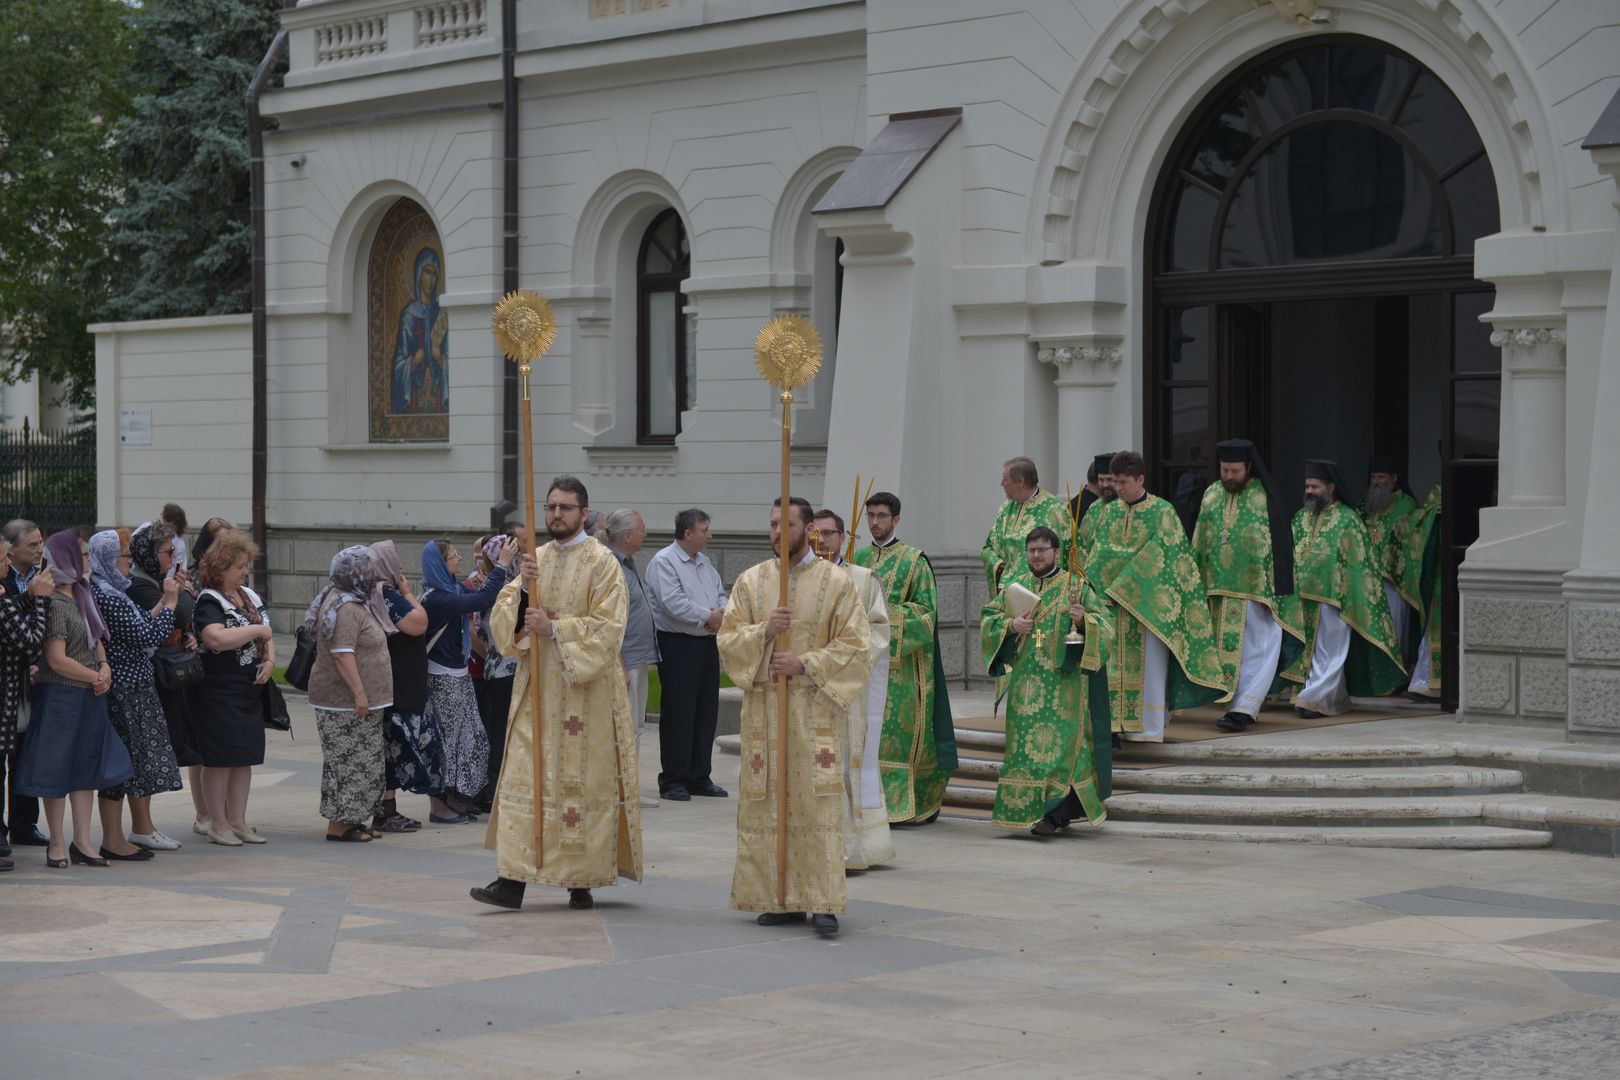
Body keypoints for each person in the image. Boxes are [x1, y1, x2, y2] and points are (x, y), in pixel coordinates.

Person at [472, 475, 640, 912]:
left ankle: (580, 880)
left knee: (580, 788)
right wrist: (527, 590)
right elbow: (503, 621)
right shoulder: (535, 560)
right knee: (523, 782)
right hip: (538, 693)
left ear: (584, 513)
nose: (556, 515)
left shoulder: (603, 563)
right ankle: (512, 880)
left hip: (586, 698)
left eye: (565, 507)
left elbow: (609, 628)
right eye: (550, 507)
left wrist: (556, 628)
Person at [718, 496, 872, 937]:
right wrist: (764, 632)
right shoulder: (751, 582)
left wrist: (804, 663)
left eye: (785, 524)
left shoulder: (836, 583)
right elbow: (728, 641)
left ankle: (822, 899)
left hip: (814, 713)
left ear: (808, 530)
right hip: (765, 715)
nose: (776, 533)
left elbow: (856, 647)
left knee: (816, 804)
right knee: (770, 804)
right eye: (771, 524)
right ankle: (778, 896)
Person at [1084, 451, 1227, 742]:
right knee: (1109, 670)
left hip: (1146, 610)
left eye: (1123, 482)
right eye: (1114, 482)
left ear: (1140, 479)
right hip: (1111, 607)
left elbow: (1170, 558)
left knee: (1148, 673)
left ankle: (1145, 731)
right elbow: (1097, 555)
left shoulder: (1162, 512)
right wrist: (1091, 590)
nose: (1118, 488)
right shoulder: (1109, 511)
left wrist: (1126, 585)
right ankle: (1111, 729)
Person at [979, 526, 1111, 836]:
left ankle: (1055, 816)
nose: (1036, 555)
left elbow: (1105, 625)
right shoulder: (1015, 587)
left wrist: (1084, 621)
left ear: (1056, 552)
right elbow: (989, 618)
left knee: (1062, 753)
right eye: (1031, 550)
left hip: (1064, 687)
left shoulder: (1076, 587)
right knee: (1023, 752)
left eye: (1042, 550)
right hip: (1025, 687)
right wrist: (1011, 625)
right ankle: (1023, 812)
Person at [15, 530, 130, 868]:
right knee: (55, 769)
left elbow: (96, 639)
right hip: (60, 696)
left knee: (85, 769)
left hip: (89, 695)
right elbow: (56, 659)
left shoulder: (83, 593)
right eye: (81, 554)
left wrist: (105, 666)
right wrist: (96, 676)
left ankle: (83, 842)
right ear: (64, 557)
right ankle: (57, 844)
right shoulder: (52, 600)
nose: (87, 560)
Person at [852, 491, 956, 826]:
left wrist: (883, 620)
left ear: (896, 519)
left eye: (881, 516)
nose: (875, 522)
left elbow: (927, 614)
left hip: (902, 669)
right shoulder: (859, 558)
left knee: (900, 737)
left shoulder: (915, 561)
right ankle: (868, 801)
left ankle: (904, 805)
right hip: (865, 663)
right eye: (870, 516)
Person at [1191, 440, 1308, 732]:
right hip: (1218, 587)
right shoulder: (1212, 494)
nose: (1228, 476)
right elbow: (1200, 539)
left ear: (1249, 468)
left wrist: (1275, 592)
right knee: (1230, 653)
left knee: (1259, 648)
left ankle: (1246, 707)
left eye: (1235, 471)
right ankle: (1236, 704)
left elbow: (1280, 547)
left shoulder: (1264, 498)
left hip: (1258, 592)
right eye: (1224, 470)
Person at [87, 529, 181, 861]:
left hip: (134, 685)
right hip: (124, 689)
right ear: (111, 560)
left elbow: (141, 621)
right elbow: (144, 635)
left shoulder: (112, 589)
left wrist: (162, 603)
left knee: (133, 761)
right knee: (120, 763)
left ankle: (128, 833)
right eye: (124, 557)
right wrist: (170, 603)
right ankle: (112, 839)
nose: (128, 562)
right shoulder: (105, 594)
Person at [1291, 460, 1408, 716]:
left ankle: (1316, 698)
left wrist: (1350, 594)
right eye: (1307, 486)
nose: (1310, 491)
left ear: (1331, 487)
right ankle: (1334, 698)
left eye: (1315, 486)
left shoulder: (1348, 519)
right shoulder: (1301, 518)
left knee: (1329, 649)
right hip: (1303, 597)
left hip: (1335, 598)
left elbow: (1360, 563)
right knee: (1311, 650)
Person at [812, 509, 894, 870]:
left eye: (829, 534)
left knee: (849, 762)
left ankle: (857, 845)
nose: (822, 542)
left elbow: (878, 629)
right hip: (810, 684)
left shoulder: (863, 580)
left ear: (843, 538)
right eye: (816, 535)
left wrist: (843, 655)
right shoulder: (799, 579)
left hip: (849, 687)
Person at [420, 535, 514, 822]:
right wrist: (502, 566)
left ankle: (456, 798)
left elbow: (480, 592)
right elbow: (482, 598)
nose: (460, 558)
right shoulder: (438, 598)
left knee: (471, 740)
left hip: (457, 676)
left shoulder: (450, 588)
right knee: (450, 743)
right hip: (444, 679)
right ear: (439, 564)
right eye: (453, 556)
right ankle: (441, 804)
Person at [191, 532, 274, 847]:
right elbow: (215, 638)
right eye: (239, 566)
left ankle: (238, 820)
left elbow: (267, 636)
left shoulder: (249, 595)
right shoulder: (210, 599)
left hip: (248, 691)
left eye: (246, 565)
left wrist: (270, 661)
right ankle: (218, 823)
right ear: (221, 568)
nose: (245, 571)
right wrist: (255, 630)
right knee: (220, 759)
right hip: (217, 692)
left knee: (243, 757)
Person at [306, 546, 392, 843]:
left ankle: (351, 820)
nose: (373, 576)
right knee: (351, 763)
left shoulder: (350, 601)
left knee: (362, 761)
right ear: (354, 573)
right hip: (344, 704)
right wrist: (360, 694)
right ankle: (340, 825)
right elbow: (342, 654)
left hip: (353, 703)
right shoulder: (344, 607)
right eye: (368, 570)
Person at [645, 507, 728, 802]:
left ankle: (699, 776)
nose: (709, 535)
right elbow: (672, 603)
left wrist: (720, 614)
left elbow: (721, 594)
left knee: (705, 712)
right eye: (705, 530)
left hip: (706, 643)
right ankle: (673, 780)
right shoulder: (664, 562)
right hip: (678, 644)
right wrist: (709, 616)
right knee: (679, 713)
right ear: (688, 533)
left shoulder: (705, 563)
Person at [125, 523, 200, 848]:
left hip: (161, 677)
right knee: (146, 755)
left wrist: (188, 632)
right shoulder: (139, 585)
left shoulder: (157, 581)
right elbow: (179, 614)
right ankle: (142, 826)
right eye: (168, 551)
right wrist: (182, 594)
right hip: (147, 680)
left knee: (157, 752)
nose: (173, 557)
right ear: (149, 554)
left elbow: (184, 619)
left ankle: (146, 825)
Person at [368, 539, 431, 832]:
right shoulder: (387, 594)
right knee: (391, 747)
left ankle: (387, 810)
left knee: (391, 748)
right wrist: (408, 592)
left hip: (396, 680)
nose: (401, 568)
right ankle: (385, 812)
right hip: (395, 684)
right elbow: (419, 623)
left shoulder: (378, 592)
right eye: (397, 562)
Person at [599, 509, 661, 809]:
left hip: (638, 657)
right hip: (625, 660)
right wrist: (620, 663)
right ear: (626, 536)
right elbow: (610, 620)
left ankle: (628, 788)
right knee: (626, 727)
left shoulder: (629, 563)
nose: (645, 534)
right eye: (641, 529)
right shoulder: (611, 567)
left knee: (635, 726)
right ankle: (621, 790)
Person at [0, 530, 51, 870]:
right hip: (6, 692)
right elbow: (31, 641)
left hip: (15, 690)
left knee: (18, 757)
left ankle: (21, 825)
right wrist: (39, 600)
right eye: (2, 558)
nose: (6, 563)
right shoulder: (5, 598)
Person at [471, 536, 519, 813]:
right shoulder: (506, 590)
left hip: (494, 668)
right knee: (502, 734)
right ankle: (495, 790)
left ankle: (493, 789)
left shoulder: (489, 586)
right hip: (507, 670)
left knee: (496, 731)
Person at [1362, 456, 1422, 666]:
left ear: (1394, 478)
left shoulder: (1406, 505)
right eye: (1373, 477)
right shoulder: (1366, 505)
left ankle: (1394, 673)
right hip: (1366, 579)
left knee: (1393, 627)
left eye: (1381, 477)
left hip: (1393, 581)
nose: (1376, 482)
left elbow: (1408, 541)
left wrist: (1386, 563)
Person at [981, 456, 1072, 594]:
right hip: (1007, 591)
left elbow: (1064, 554)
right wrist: (998, 565)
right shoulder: (1007, 508)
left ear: (1020, 481)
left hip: (1039, 592)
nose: (1001, 484)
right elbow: (989, 546)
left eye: (1005, 479)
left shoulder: (1055, 510)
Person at [1400, 483, 1444, 700]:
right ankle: (1425, 681)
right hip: (1438, 573)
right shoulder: (1436, 490)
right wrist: (1433, 515)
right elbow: (1416, 523)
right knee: (1432, 629)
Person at [1074, 452, 1119, 560]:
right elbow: (1082, 544)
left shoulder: (1130, 505)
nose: (1104, 485)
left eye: (1109, 480)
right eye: (1101, 480)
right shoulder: (1094, 508)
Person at [161, 503, 189, 576]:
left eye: (163, 515)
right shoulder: (180, 541)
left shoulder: (172, 539)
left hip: (169, 578)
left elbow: (176, 566)